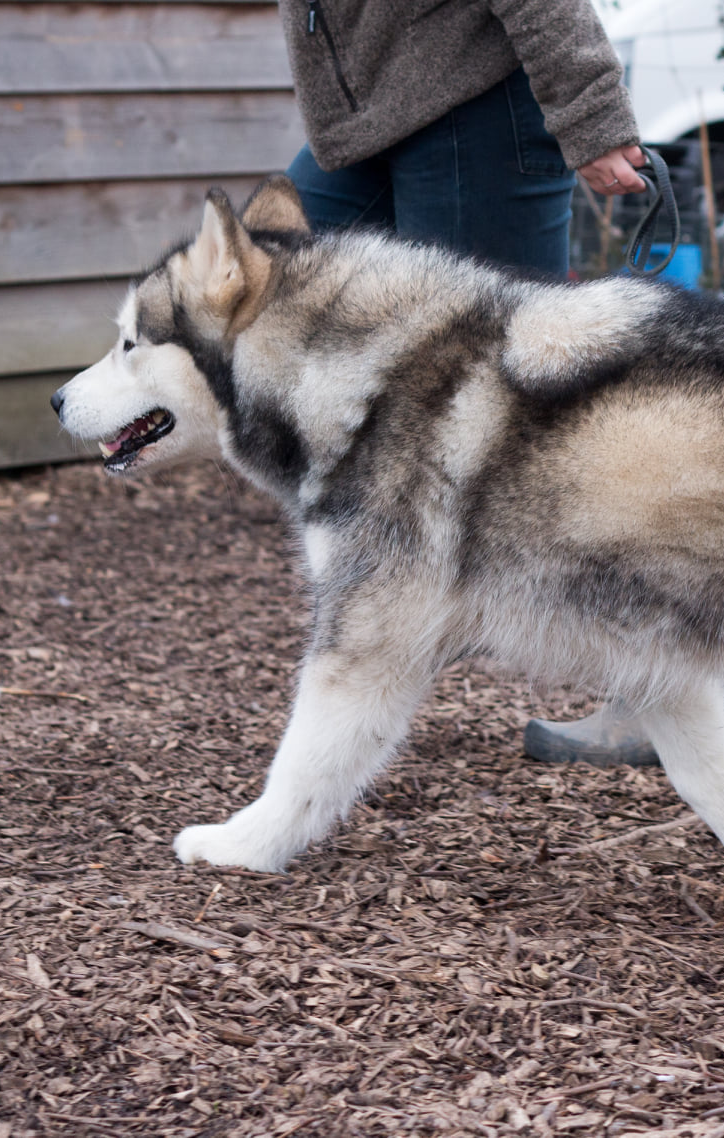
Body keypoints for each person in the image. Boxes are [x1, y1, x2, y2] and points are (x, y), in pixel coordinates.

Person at [277, 0, 658, 764]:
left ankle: (660, 688)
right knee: (270, 279)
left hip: (474, 106)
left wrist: (589, 112)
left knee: (537, 421)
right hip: (377, 117)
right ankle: (420, 594)